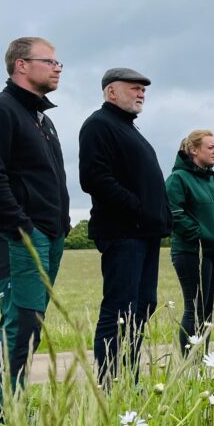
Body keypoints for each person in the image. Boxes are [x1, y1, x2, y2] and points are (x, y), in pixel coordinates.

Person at [0, 37, 69, 416]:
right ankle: (2, 415)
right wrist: (20, 226)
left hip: (49, 233)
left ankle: (11, 405)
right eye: (50, 60)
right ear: (21, 65)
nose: (58, 67)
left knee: (32, 322)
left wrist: (60, 225)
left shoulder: (41, 119)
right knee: (22, 320)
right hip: (15, 235)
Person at [79, 68, 172, 385]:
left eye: (144, 90)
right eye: (135, 88)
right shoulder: (99, 125)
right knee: (120, 307)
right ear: (111, 92)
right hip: (122, 233)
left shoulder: (129, 129)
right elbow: (94, 178)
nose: (141, 94)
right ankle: (111, 383)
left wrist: (158, 216)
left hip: (144, 234)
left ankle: (128, 379)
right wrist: (139, 208)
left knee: (143, 305)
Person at [164, 130, 214, 353]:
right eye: (210, 147)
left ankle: (202, 359)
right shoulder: (178, 179)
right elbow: (174, 213)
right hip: (191, 252)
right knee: (194, 308)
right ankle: (189, 365)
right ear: (194, 150)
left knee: (208, 309)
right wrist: (201, 234)